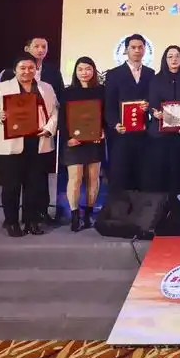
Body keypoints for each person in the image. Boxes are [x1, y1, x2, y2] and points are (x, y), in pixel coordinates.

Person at [0, 53, 58, 237]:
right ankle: (11, 222)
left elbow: (55, 110)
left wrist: (49, 128)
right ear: (15, 70)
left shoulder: (46, 88)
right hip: (10, 144)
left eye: (31, 68)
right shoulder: (2, 87)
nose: (27, 71)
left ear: (36, 69)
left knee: (34, 185)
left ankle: (31, 221)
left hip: (37, 141)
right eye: (22, 68)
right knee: (11, 186)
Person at [59, 57, 105, 231]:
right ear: (75, 72)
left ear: (93, 71)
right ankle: (74, 214)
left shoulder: (101, 91)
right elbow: (62, 119)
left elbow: (106, 114)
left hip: (95, 141)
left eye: (88, 69)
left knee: (93, 178)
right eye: (80, 69)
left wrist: (103, 130)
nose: (84, 73)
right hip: (73, 142)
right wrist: (68, 138)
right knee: (75, 178)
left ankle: (89, 214)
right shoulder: (67, 92)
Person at [105, 34, 151, 193]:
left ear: (144, 50)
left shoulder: (151, 74)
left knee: (142, 174)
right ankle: (120, 206)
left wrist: (149, 105)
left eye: (140, 47)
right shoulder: (114, 74)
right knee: (121, 175)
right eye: (133, 47)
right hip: (121, 132)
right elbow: (109, 104)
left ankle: (141, 207)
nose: (137, 50)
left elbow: (155, 100)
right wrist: (114, 124)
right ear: (126, 50)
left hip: (143, 133)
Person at [146, 45, 180, 196]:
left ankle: (174, 203)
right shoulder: (155, 79)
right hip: (160, 133)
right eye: (170, 56)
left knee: (178, 172)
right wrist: (155, 113)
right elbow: (152, 104)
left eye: (177, 56)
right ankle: (163, 204)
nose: (174, 59)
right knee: (162, 173)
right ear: (165, 60)